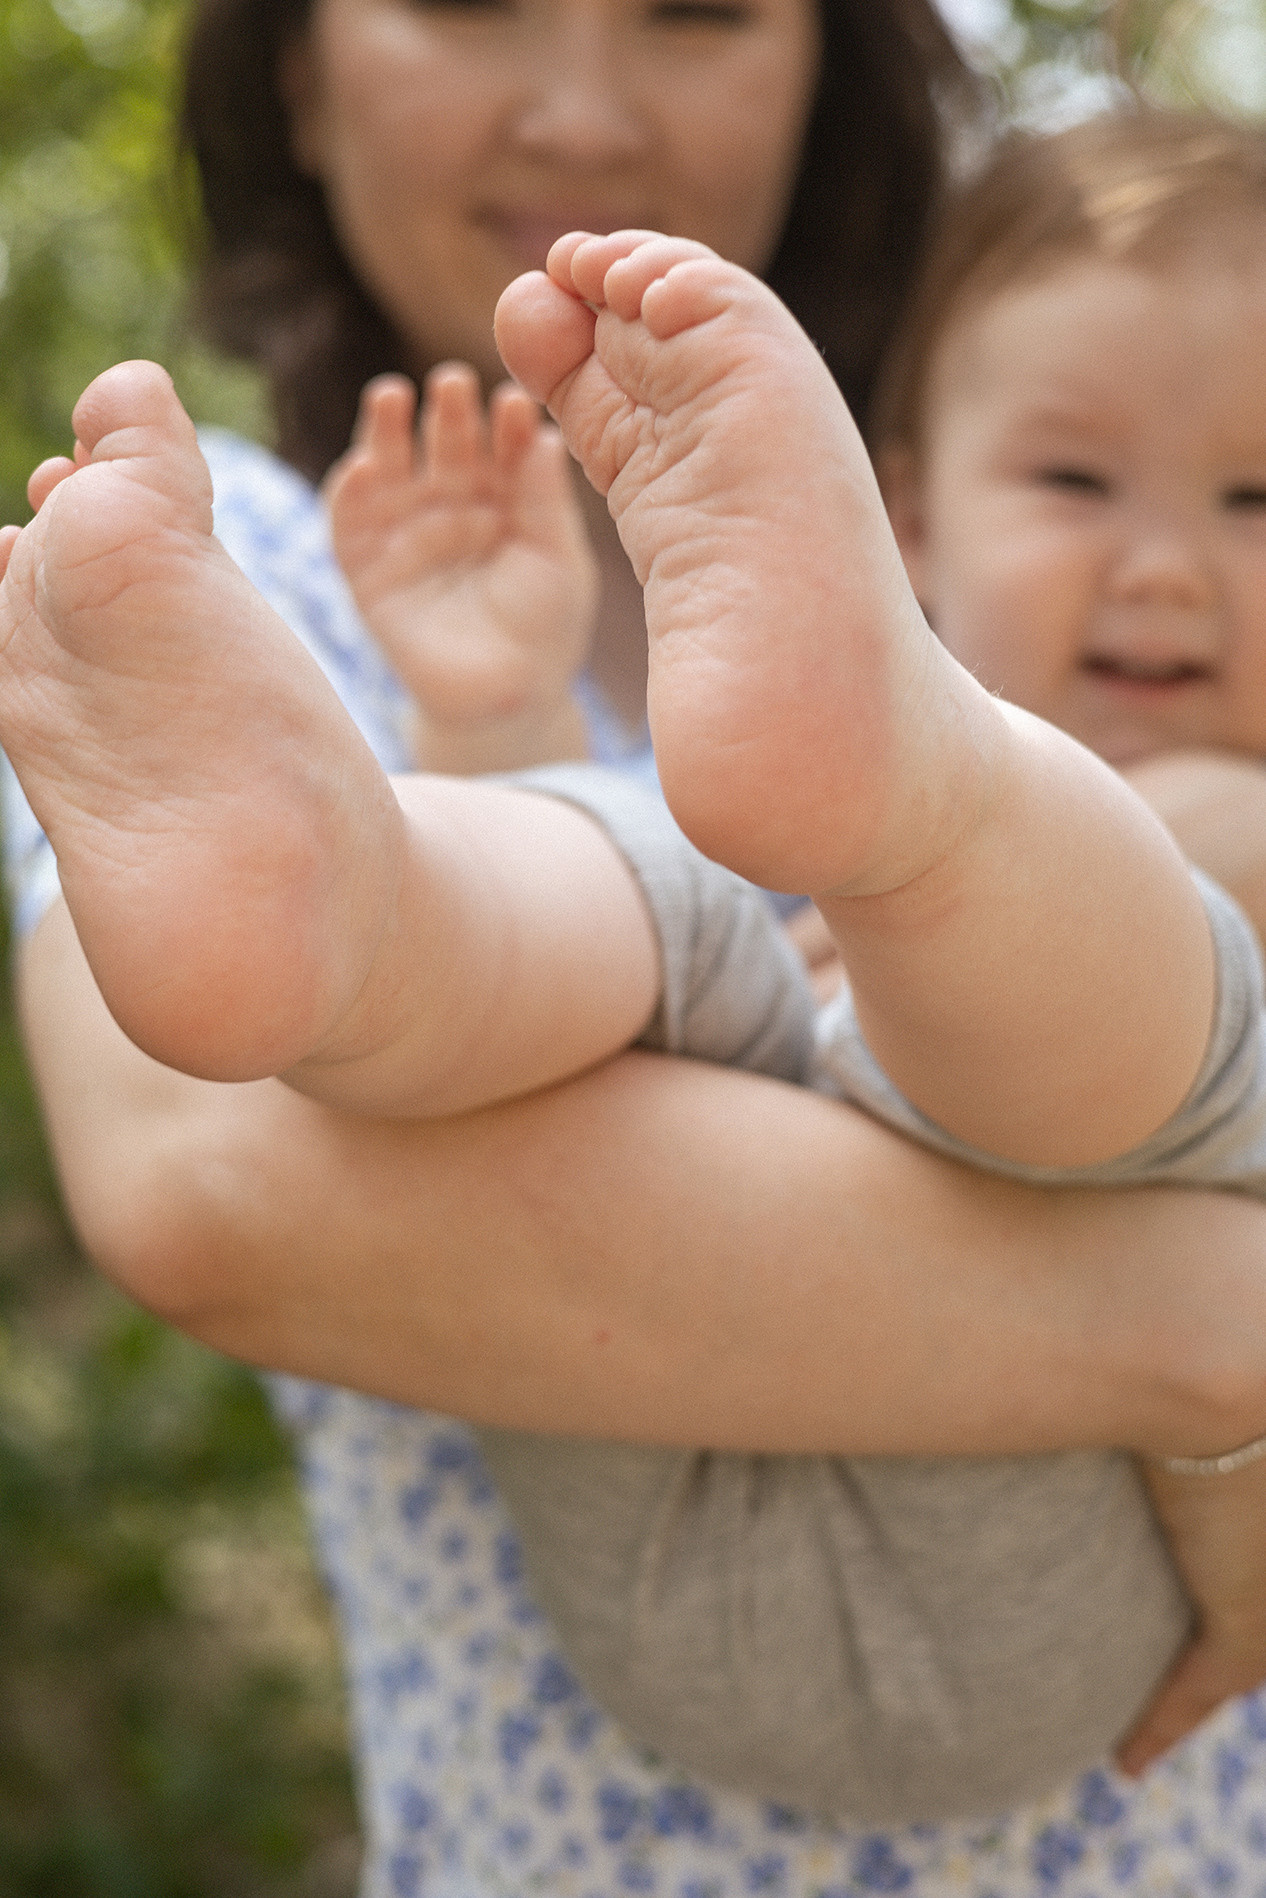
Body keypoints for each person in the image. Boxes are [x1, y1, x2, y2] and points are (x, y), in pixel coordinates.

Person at [6, 0, 1266, 1876]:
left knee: (1140, 845)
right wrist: (1220, 1338)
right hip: (679, 1613)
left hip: (1061, 1646)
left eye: (691, 8)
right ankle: (371, 915)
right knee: (641, 912)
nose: (581, 105)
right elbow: (216, 1186)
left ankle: (811, 830)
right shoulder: (235, 578)